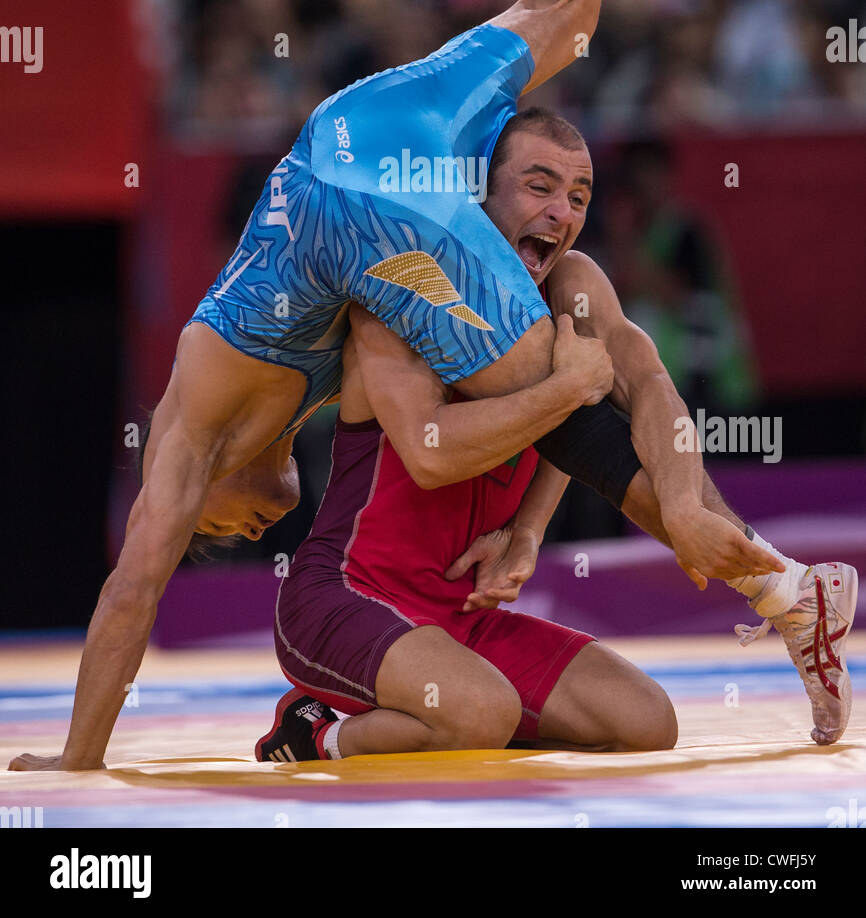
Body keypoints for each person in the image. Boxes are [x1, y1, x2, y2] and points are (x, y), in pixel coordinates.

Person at [10, 0, 739, 772]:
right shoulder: (262, 411)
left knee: (553, 362)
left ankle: (705, 530)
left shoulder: (190, 429)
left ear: (204, 493)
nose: (255, 525)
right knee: (564, 5)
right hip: (362, 134)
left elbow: (129, 590)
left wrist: (77, 762)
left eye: (232, 525)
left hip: (351, 198)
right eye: (249, 533)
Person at [254, 109, 856, 761]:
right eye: (538, 188)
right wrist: (566, 388)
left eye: (577, 197)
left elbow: (647, 385)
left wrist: (552, 527)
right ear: (480, 190)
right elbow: (431, 453)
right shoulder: (408, 285)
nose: (560, 212)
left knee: (645, 721)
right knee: (482, 712)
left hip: (459, 616)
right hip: (345, 595)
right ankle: (311, 731)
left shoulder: (571, 285)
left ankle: (786, 593)